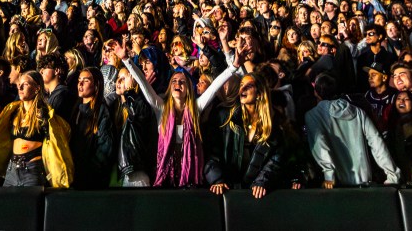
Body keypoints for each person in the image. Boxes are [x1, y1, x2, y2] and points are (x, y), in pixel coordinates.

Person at [117, 38, 241, 188]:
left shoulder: (196, 107)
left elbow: (214, 87)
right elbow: (143, 84)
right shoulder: (161, 108)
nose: (177, 84)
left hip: (190, 176)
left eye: (182, 82)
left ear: (188, 89)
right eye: (174, 81)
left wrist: (233, 67)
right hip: (164, 174)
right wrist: (125, 60)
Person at [0, 70, 73, 187]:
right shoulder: (12, 112)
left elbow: (60, 137)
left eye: (25, 84)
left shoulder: (44, 115)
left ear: (37, 88)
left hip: (32, 169)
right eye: (19, 84)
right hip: (12, 169)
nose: (20, 87)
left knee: (30, 205)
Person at [205, 72, 298, 198]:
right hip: (227, 190)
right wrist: (217, 179)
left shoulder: (275, 123)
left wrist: (262, 181)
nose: (242, 89)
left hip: (258, 193)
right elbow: (212, 151)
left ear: (259, 93)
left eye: (248, 86)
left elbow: (277, 159)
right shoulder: (225, 117)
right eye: (241, 85)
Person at [305, 72, 400, 187]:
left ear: (316, 92)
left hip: (336, 184)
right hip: (364, 180)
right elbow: (376, 142)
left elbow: (320, 146)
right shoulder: (357, 111)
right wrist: (393, 175)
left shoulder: (312, 115)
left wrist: (329, 176)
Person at [69, 67, 115, 189]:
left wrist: (90, 173)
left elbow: (105, 148)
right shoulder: (76, 110)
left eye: (86, 80)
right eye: (79, 80)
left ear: (96, 85)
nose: (80, 83)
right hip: (75, 177)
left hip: (93, 181)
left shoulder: (101, 111)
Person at [112, 64, 157, 186]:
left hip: (136, 172)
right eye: (118, 78)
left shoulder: (140, 104)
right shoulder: (115, 107)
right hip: (120, 171)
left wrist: (130, 91)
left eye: (123, 78)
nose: (119, 81)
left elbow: (136, 114)